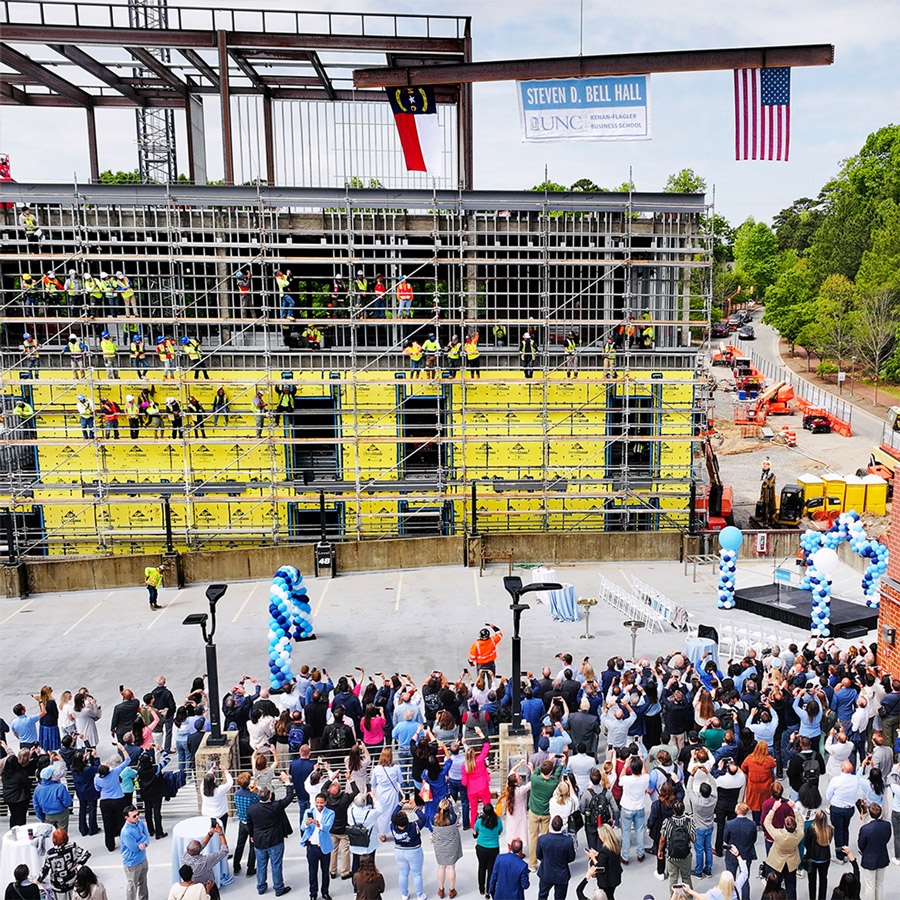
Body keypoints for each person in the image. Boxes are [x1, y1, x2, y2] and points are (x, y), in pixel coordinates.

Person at [246, 773, 294, 897]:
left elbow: (250, 824)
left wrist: (251, 835)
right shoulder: (276, 806)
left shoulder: (252, 808)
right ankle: (278, 888)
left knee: (261, 865)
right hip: (275, 840)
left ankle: (261, 887)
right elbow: (289, 797)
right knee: (276, 865)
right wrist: (287, 782)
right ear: (270, 796)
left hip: (259, 840)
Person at [764, 800, 803, 900]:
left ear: (785, 825)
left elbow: (766, 823)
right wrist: (794, 808)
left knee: (775, 886)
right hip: (791, 862)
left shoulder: (778, 835)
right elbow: (801, 821)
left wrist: (773, 809)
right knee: (791, 886)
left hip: (776, 862)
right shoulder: (799, 834)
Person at [39, 828, 90, 900]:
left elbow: (45, 870)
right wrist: (78, 864)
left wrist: (38, 880)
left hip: (58, 886)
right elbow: (86, 854)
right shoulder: (72, 846)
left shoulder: (50, 853)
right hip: (72, 881)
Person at [180, 825, 229, 899]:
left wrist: (210, 834)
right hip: (207, 888)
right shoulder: (205, 861)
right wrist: (221, 833)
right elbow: (224, 851)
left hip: (192, 888)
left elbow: (200, 846)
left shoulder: (185, 855)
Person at [392, 803, 428, 900]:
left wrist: (400, 804)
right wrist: (415, 808)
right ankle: (420, 895)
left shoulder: (393, 827)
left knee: (403, 873)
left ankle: (404, 894)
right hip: (414, 851)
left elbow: (393, 815)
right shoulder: (413, 826)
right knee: (417, 874)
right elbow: (423, 818)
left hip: (399, 851)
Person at [536, 814, 576, 900]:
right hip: (561, 874)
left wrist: (546, 859)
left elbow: (538, 855)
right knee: (560, 898)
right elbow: (571, 858)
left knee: (542, 896)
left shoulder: (542, 839)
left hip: (546, 872)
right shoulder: (568, 841)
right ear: (562, 826)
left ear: (551, 825)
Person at [619, 755, 650, 865]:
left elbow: (620, 780)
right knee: (640, 831)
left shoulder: (627, 780)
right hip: (639, 807)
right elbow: (646, 773)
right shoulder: (645, 778)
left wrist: (625, 765)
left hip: (627, 808)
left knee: (626, 833)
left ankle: (625, 856)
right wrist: (643, 762)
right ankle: (640, 854)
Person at [722, 804, 756, 900]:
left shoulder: (729, 824)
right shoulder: (752, 824)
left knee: (730, 878)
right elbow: (754, 839)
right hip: (746, 853)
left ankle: (730, 897)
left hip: (732, 854)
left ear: (738, 811)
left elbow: (725, 838)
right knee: (745, 878)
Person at [826, 761, 858, 862]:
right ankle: (846, 851)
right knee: (845, 829)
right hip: (849, 809)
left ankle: (840, 855)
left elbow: (828, 795)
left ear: (842, 769)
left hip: (837, 808)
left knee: (838, 831)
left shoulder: (836, 780)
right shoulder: (855, 779)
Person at [660, 799, 696, 889]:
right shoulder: (689, 822)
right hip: (685, 856)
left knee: (673, 878)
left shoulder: (667, 822)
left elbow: (662, 839)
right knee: (686, 877)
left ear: (673, 810)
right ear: (683, 810)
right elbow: (694, 839)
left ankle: (673, 897)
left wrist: (660, 851)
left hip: (671, 856)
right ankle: (689, 897)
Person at [857, 802, 890, 900]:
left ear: (869, 812)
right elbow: (887, 839)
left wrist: (864, 850)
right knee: (879, 884)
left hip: (869, 858)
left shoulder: (865, 829)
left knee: (870, 885)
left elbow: (861, 844)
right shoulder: (887, 825)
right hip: (882, 856)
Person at [432, 797, 462, 898]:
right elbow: (459, 813)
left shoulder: (434, 819)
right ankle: (451, 890)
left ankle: (441, 890)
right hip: (451, 846)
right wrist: (453, 802)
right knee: (451, 867)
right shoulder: (453, 818)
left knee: (441, 867)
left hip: (439, 846)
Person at [462, 737, 492, 830]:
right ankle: (490, 823)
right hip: (483, 787)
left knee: (473, 810)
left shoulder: (465, 767)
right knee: (487, 806)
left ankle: (474, 828)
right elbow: (486, 748)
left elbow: (464, 783)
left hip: (472, 790)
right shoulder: (479, 761)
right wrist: (483, 737)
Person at [474, 802, 504, 896]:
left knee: (481, 867)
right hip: (493, 848)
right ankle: (489, 890)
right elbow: (500, 831)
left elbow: (476, 830)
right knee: (491, 869)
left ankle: (481, 889)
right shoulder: (498, 821)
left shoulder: (479, 821)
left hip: (481, 847)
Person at [585, 826, 622, 900]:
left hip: (606, 881)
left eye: (599, 834)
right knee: (610, 895)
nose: (599, 836)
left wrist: (592, 857)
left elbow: (599, 868)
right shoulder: (615, 844)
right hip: (615, 876)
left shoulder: (604, 851)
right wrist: (599, 855)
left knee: (607, 896)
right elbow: (608, 857)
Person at [120, 805, 150, 900]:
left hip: (143, 860)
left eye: (137, 814)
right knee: (132, 888)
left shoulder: (139, 822)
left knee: (143, 883)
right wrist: (143, 839)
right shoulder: (126, 832)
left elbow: (147, 835)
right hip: (132, 864)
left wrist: (143, 841)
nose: (137, 817)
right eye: (134, 816)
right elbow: (134, 848)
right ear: (126, 818)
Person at [33, 764, 73, 831]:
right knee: (62, 834)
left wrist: (42, 818)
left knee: (50, 834)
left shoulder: (38, 789)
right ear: (52, 776)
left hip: (47, 815)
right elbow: (68, 802)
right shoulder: (60, 787)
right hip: (61, 813)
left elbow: (36, 806)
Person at [805, 810, 833, 900]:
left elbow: (806, 842)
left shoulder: (811, 829)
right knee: (823, 879)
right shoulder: (830, 829)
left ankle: (812, 898)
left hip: (813, 858)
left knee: (812, 881)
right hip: (825, 858)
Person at [201, 764, 234, 834]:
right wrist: (225, 771)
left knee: (209, 833)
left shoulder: (202, 788)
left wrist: (212, 769)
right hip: (220, 815)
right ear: (214, 781)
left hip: (207, 815)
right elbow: (230, 782)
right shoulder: (219, 790)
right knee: (221, 833)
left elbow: (206, 778)